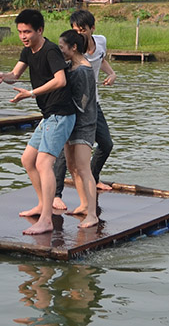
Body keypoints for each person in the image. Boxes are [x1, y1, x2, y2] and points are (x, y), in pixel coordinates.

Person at [0, 9, 76, 235]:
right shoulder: (28, 51)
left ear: (40, 30)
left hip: (61, 114)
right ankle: (41, 204)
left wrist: (31, 93)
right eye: (20, 32)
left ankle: (47, 219)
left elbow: (60, 80)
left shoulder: (50, 51)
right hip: (49, 115)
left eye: (27, 31)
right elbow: (15, 75)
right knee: (28, 159)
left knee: (43, 164)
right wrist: (3, 76)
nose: (23, 36)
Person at [53, 10, 116, 211]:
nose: (79, 33)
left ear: (92, 28)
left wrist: (112, 73)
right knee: (67, 151)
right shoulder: (72, 49)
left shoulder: (101, 42)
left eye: (82, 30)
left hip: (92, 104)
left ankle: (93, 178)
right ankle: (56, 194)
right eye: (75, 30)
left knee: (106, 144)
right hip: (73, 106)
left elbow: (101, 59)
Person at [57, 29, 98, 228]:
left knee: (83, 168)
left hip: (83, 123)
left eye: (62, 47)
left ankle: (92, 213)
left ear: (73, 48)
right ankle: (83, 203)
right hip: (70, 121)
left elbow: (83, 100)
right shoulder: (70, 66)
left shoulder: (83, 69)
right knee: (72, 166)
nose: (61, 51)